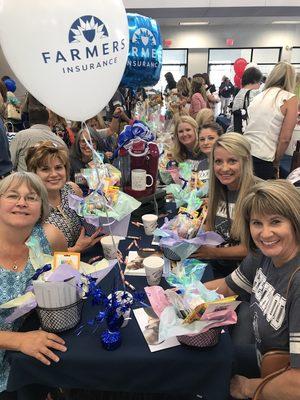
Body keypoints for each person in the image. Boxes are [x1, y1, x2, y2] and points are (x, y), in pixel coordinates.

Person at [205, 180, 300, 399]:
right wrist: (180, 295)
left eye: (275, 221)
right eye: (257, 223)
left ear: (295, 221)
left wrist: (249, 387)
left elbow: (297, 383)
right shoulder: (262, 255)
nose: (265, 234)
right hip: (263, 364)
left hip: (279, 384)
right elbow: (227, 287)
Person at [0, 172, 67, 398]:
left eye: (31, 197)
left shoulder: (51, 238)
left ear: (41, 207)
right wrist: (17, 341)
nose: (21, 203)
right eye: (12, 195)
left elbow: (64, 280)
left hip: (30, 361)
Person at [193, 133, 256, 277]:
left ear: (245, 161)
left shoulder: (257, 195)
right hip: (218, 268)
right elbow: (211, 225)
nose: (224, 168)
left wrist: (213, 252)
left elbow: (253, 249)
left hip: (244, 277)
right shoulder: (218, 188)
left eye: (232, 161)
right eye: (218, 161)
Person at [26, 142, 102, 253]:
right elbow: (33, 256)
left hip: (88, 257)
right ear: (34, 173)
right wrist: (75, 250)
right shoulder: (29, 207)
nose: (54, 174)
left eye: (58, 167)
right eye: (45, 169)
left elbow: (88, 221)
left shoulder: (72, 190)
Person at [244, 61, 298, 180]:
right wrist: (277, 162)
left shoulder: (259, 95)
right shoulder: (289, 98)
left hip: (245, 150)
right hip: (264, 157)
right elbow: (285, 138)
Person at [9, 94, 66, 172]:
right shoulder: (60, 141)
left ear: (29, 121)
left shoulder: (21, 136)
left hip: (26, 182)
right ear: (48, 121)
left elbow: (10, 163)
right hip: (50, 182)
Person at [227, 67, 262, 133]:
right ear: (255, 81)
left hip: (237, 131)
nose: (259, 85)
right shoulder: (253, 94)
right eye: (260, 82)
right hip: (248, 133)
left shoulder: (240, 93)